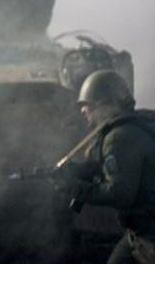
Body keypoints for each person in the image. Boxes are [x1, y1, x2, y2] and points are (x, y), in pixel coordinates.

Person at [62, 70, 154, 263]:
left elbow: (119, 193)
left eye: (88, 105)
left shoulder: (119, 138)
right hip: (139, 231)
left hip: (149, 235)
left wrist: (74, 188)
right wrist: (76, 171)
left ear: (105, 104)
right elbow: (115, 166)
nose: (83, 110)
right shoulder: (138, 124)